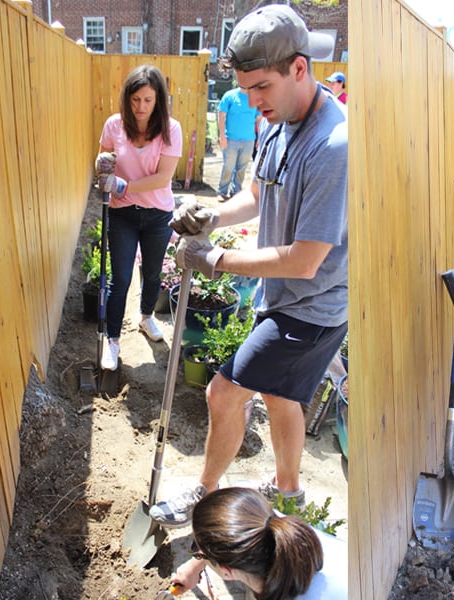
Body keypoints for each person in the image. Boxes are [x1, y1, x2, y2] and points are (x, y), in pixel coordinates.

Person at [148, 4, 348, 527]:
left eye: (261, 87)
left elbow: (305, 261)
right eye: (246, 88)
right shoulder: (276, 123)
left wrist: (215, 259)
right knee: (282, 398)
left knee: (224, 390)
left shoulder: (334, 146)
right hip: (283, 297)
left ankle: (204, 491)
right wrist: (211, 215)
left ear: (299, 69)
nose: (251, 100)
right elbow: (256, 194)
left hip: (311, 307)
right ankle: (289, 494)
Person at [93, 64, 182, 371]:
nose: (141, 107)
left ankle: (146, 317)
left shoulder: (171, 129)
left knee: (154, 273)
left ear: (158, 100)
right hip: (123, 214)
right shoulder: (114, 125)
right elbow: (105, 157)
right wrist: (103, 166)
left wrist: (123, 185)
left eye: (148, 100)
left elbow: (162, 177)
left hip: (158, 214)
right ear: (126, 99)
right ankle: (113, 340)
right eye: (135, 100)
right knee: (120, 280)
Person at [170, 487, 347, 600]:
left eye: (199, 551)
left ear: (226, 572)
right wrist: (195, 566)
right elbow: (235, 538)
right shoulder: (270, 524)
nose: (197, 552)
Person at [216, 86, 261, 201]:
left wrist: (260, 138)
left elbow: (259, 119)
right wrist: (222, 136)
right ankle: (222, 191)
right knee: (228, 166)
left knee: (242, 168)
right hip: (231, 139)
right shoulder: (230, 95)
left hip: (249, 140)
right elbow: (221, 116)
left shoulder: (254, 97)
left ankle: (236, 192)